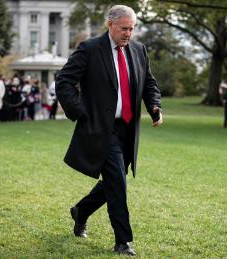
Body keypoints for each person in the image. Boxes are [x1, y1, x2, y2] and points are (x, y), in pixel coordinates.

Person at [55, 5, 162, 256]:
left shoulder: (138, 50)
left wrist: (155, 106)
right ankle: (123, 241)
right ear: (110, 25)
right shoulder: (90, 48)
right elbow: (64, 81)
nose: (128, 33)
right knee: (118, 184)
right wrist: (80, 113)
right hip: (102, 130)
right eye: (124, 28)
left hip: (128, 129)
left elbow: (148, 82)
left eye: (132, 29)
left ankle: (80, 211)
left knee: (115, 181)